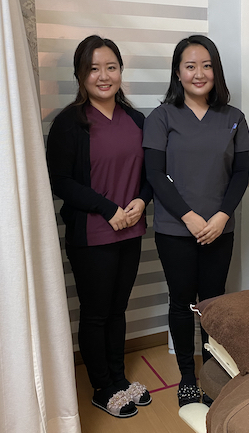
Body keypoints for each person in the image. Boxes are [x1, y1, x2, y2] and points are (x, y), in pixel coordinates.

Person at [46, 35, 153, 418]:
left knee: (118, 309)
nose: (103, 76)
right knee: (96, 313)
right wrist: (108, 209)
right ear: (80, 74)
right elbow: (60, 181)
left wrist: (142, 200)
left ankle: (119, 379)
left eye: (111, 67)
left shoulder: (137, 121)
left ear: (121, 71)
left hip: (131, 231)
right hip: (91, 236)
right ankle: (101, 387)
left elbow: (151, 173)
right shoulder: (69, 123)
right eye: (94, 69)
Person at [143, 35, 249, 407]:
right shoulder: (161, 117)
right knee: (181, 302)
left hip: (219, 229)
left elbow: (241, 173)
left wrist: (222, 216)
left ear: (215, 71)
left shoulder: (234, 118)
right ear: (178, 73)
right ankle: (187, 377)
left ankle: (212, 373)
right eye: (190, 66)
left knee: (213, 303)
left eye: (206, 65)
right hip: (176, 230)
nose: (199, 73)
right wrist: (189, 217)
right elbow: (155, 174)